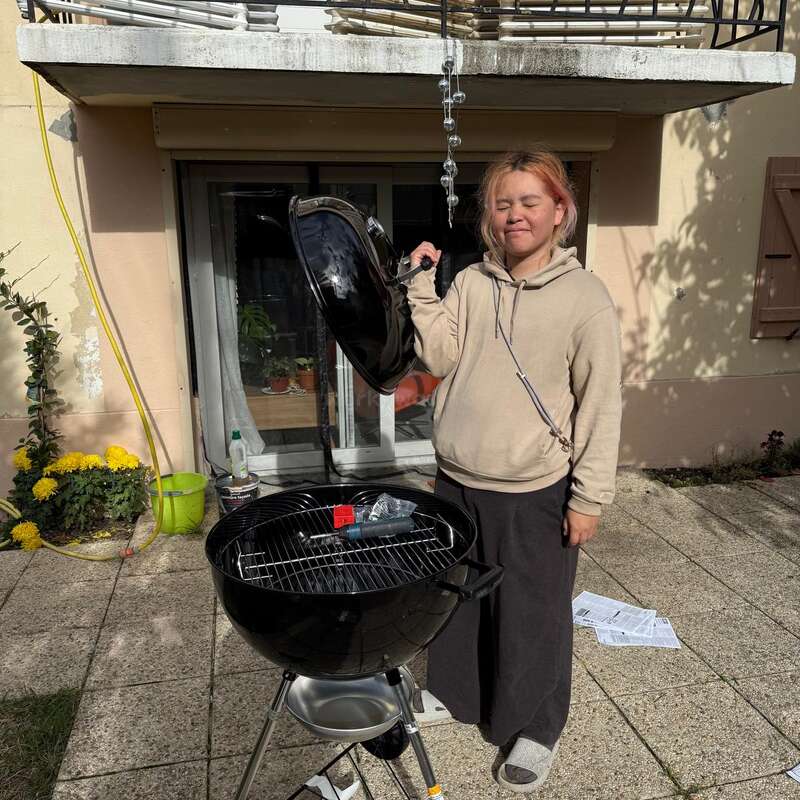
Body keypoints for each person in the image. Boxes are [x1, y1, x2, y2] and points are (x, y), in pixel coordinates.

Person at [405, 148, 622, 793]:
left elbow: (601, 403)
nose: (514, 216)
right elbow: (439, 351)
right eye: (503, 204)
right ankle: (455, 694)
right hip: (457, 479)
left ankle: (535, 726)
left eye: (530, 202)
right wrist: (421, 284)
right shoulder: (473, 282)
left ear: (561, 212)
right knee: (459, 601)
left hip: (535, 490)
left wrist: (590, 497)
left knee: (535, 612)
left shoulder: (586, 300)